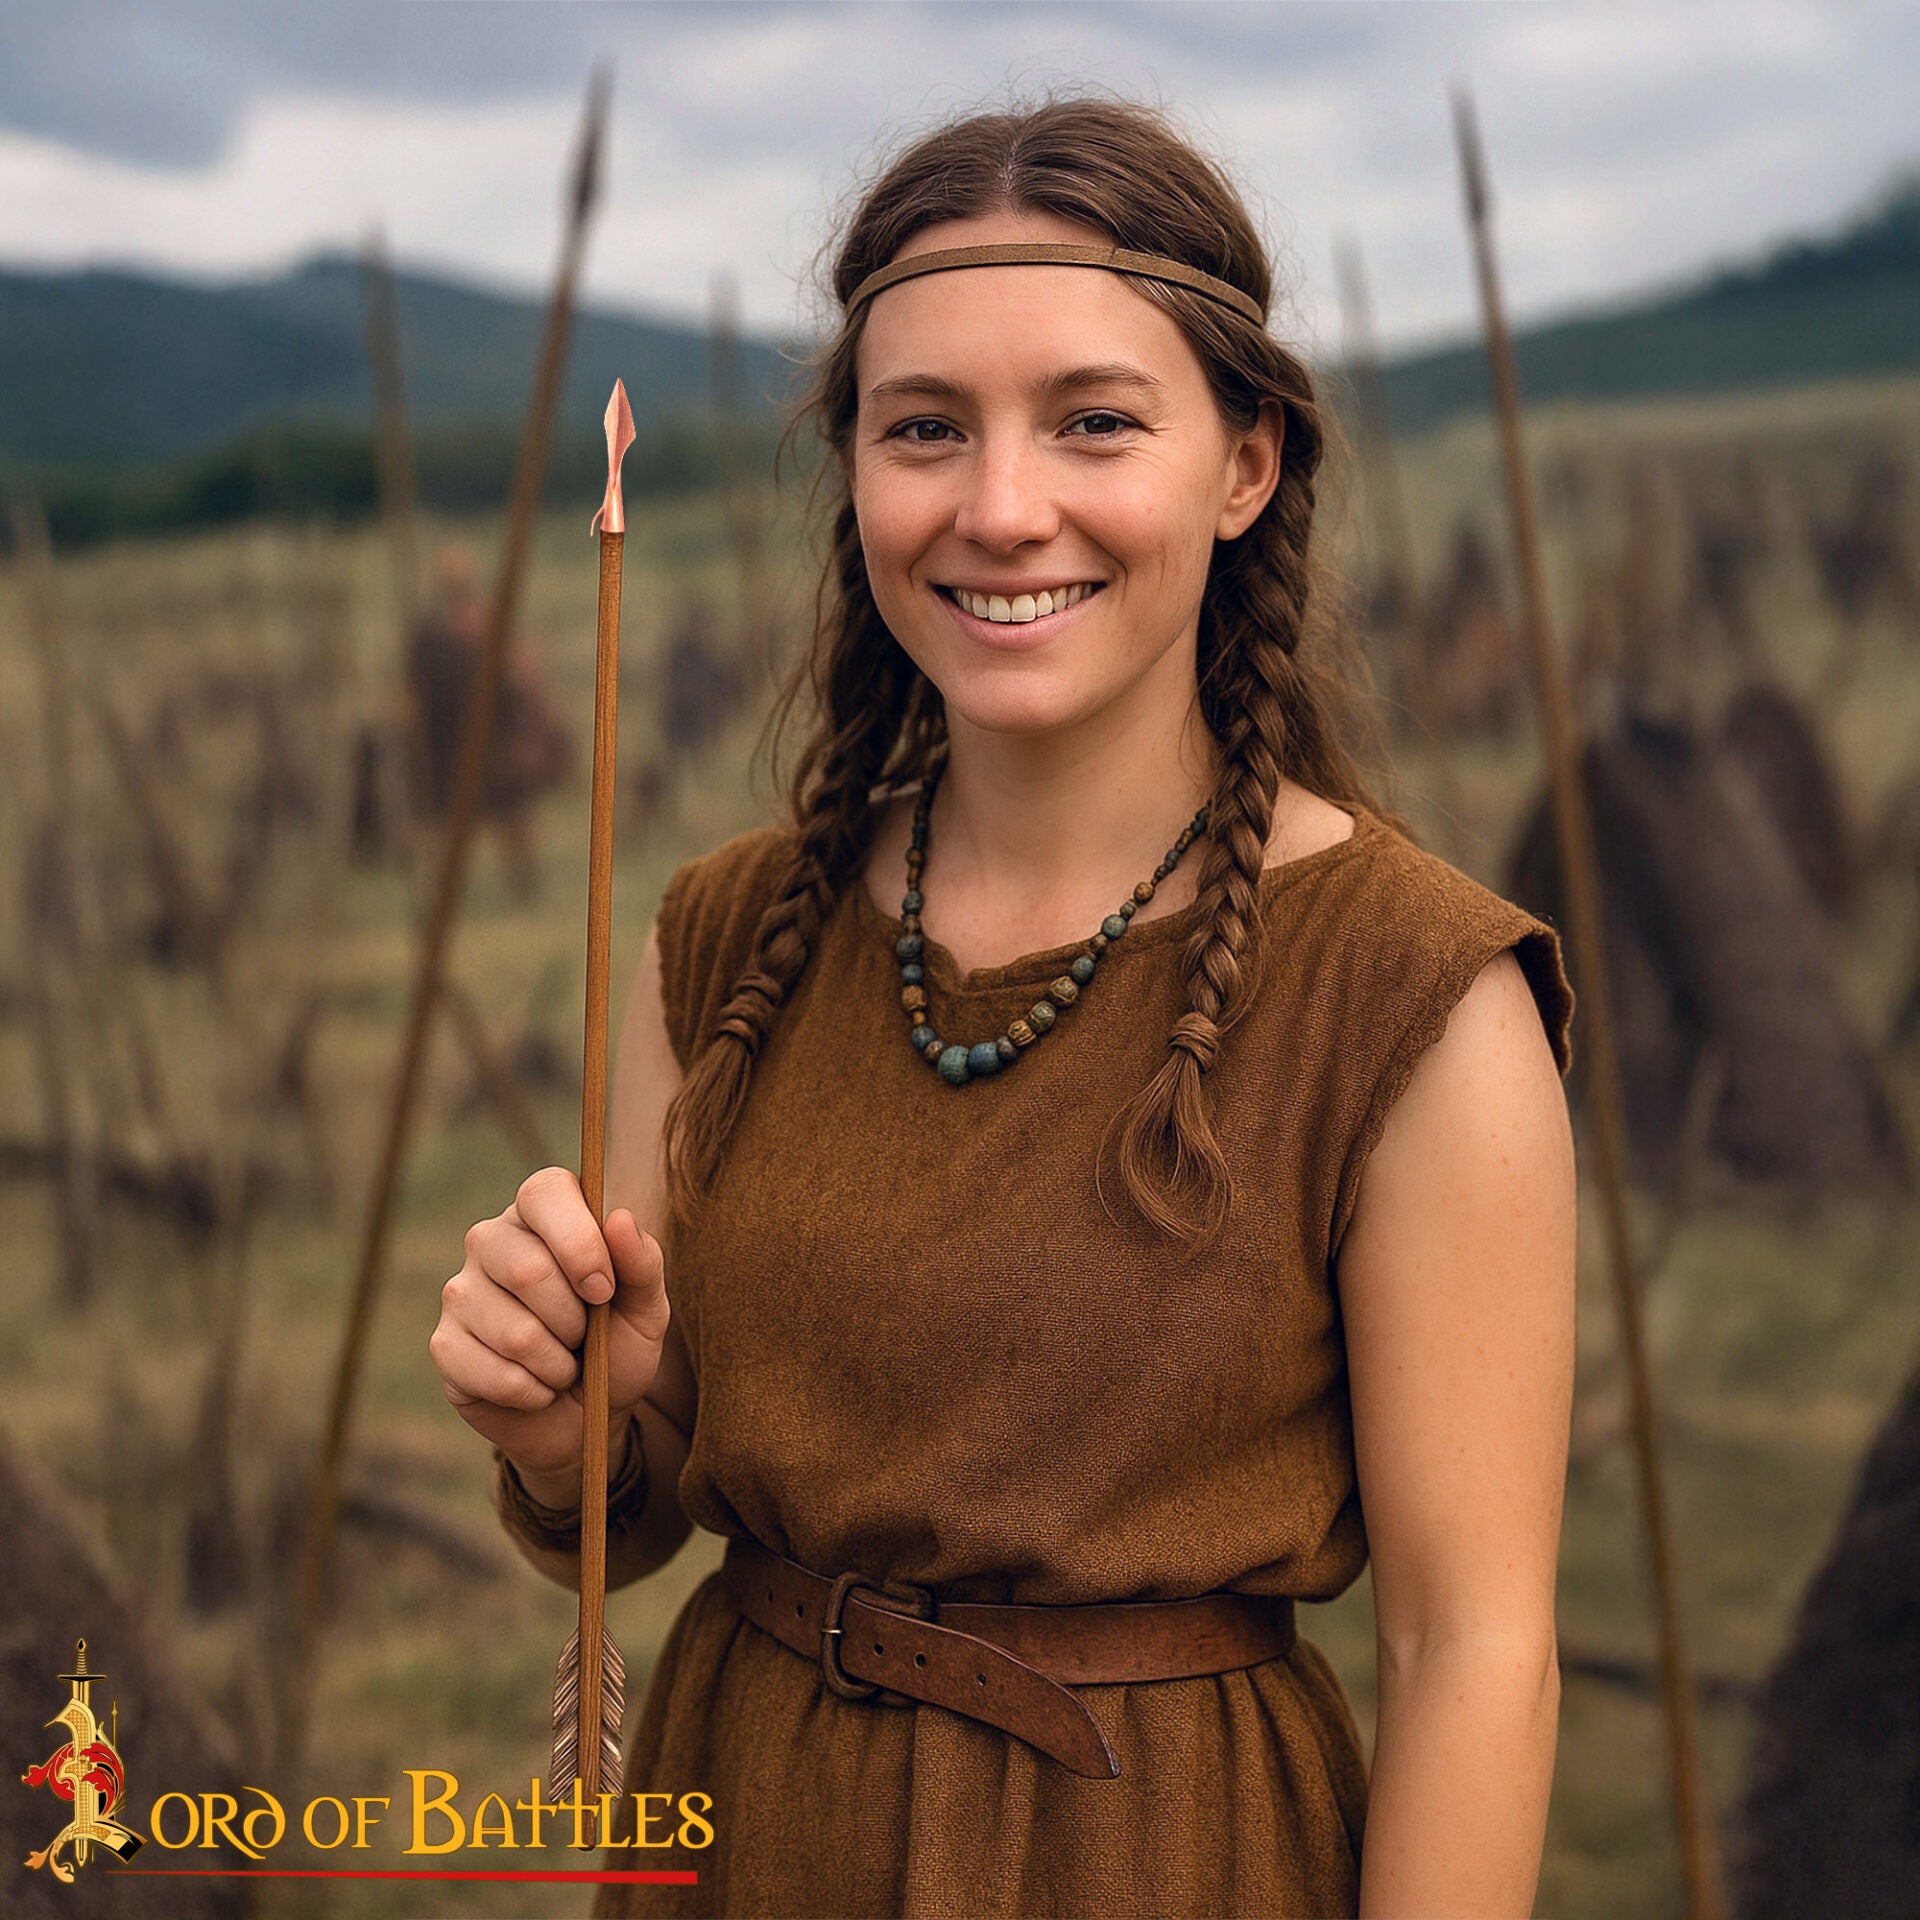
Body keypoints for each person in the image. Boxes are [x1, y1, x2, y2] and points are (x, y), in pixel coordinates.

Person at [429, 95, 1577, 1919]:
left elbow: (1475, 1655)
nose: (1000, 508)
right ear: (860, 474)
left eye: (1095, 421)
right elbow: (636, 1512)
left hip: (1150, 1853)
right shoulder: (728, 944)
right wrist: (569, 1426)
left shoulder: (1416, 1001)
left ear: (1245, 463)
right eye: (926, 431)